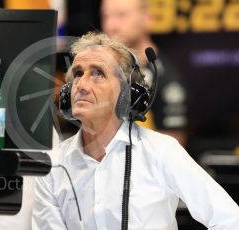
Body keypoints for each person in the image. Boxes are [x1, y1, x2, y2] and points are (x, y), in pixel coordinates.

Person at [32, 32, 239, 229]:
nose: (82, 85)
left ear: (127, 93)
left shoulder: (161, 152)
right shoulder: (53, 166)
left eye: (98, 73)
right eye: (78, 73)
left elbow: (230, 220)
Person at [101, 0, 188, 146]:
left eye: (121, 15)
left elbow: (173, 144)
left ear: (147, 19)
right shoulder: (100, 71)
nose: (111, 25)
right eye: (105, 16)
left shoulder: (164, 78)